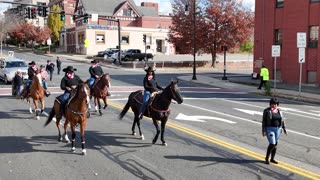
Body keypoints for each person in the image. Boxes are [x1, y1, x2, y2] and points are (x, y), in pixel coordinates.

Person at [262, 97, 288, 164]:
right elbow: (264, 121)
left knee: (275, 144)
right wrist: (263, 130)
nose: (274, 105)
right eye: (272, 104)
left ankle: (272, 159)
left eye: (275, 104)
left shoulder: (279, 111)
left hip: (278, 129)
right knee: (272, 143)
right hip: (269, 129)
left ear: (277, 104)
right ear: (270, 104)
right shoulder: (267, 111)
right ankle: (267, 158)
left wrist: (284, 129)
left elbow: (282, 120)